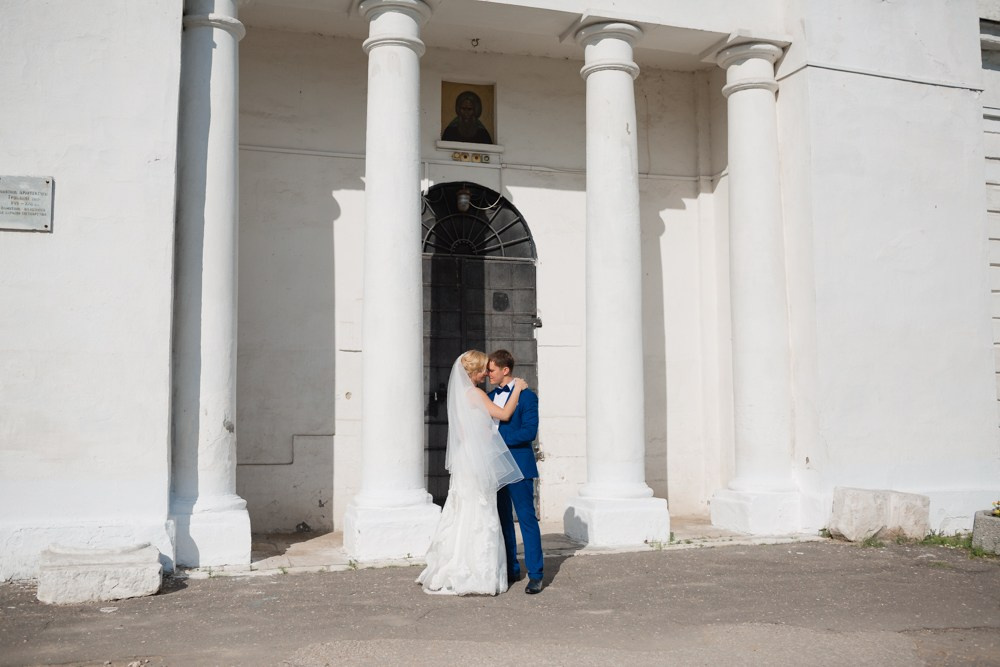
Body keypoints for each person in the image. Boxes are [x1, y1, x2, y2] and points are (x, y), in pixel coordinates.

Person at [417, 350, 529, 595]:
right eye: (482, 370)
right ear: (473, 372)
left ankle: (454, 563)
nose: (485, 374)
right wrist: (518, 388)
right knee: (480, 510)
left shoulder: (459, 397)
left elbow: (467, 432)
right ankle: (476, 571)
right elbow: (504, 414)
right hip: (477, 461)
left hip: (464, 458)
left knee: (464, 509)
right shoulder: (475, 393)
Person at [487, 349, 543, 594]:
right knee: (503, 521)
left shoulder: (528, 397)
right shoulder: (489, 396)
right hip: (496, 467)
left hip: (520, 466)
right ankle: (511, 569)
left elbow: (529, 432)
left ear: (504, 370)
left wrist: (499, 439)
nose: (488, 374)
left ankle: (537, 574)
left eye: (491, 370)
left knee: (527, 520)